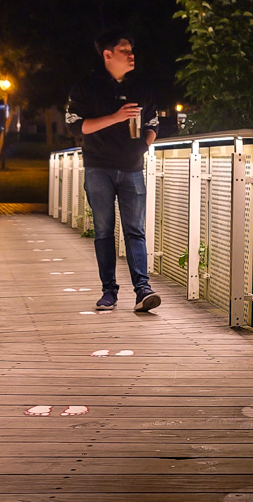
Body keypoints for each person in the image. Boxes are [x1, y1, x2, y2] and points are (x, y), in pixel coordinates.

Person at [65, 31, 162, 312]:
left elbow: (154, 123)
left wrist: (141, 147)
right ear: (107, 54)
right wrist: (116, 117)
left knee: (135, 231)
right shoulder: (86, 87)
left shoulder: (142, 87)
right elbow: (76, 126)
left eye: (132, 49)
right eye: (124, 50)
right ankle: (109, 291)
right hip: (98, 167)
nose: (131, 54)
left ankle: (143, 289)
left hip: (132, 168)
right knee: (104, 231)